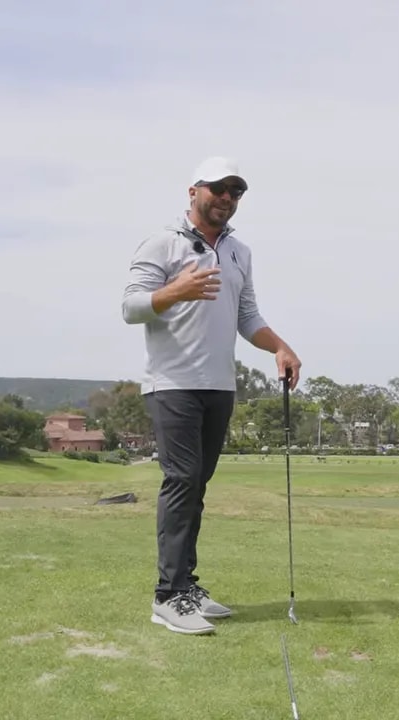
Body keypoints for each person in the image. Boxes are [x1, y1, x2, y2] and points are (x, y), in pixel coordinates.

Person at [121, 156, 302, 635]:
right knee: (182, 479)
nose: (226, 197)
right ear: (193, 191)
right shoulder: (162, 243)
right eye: (218, 187)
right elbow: (131, 307)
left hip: (219, 385)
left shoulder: (240, 252)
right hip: (172, 382)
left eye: (235, 191)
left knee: (197, 485)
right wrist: (175, 291)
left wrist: (280, 347)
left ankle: (186, 585)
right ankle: (167, 596)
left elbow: (248, 317)